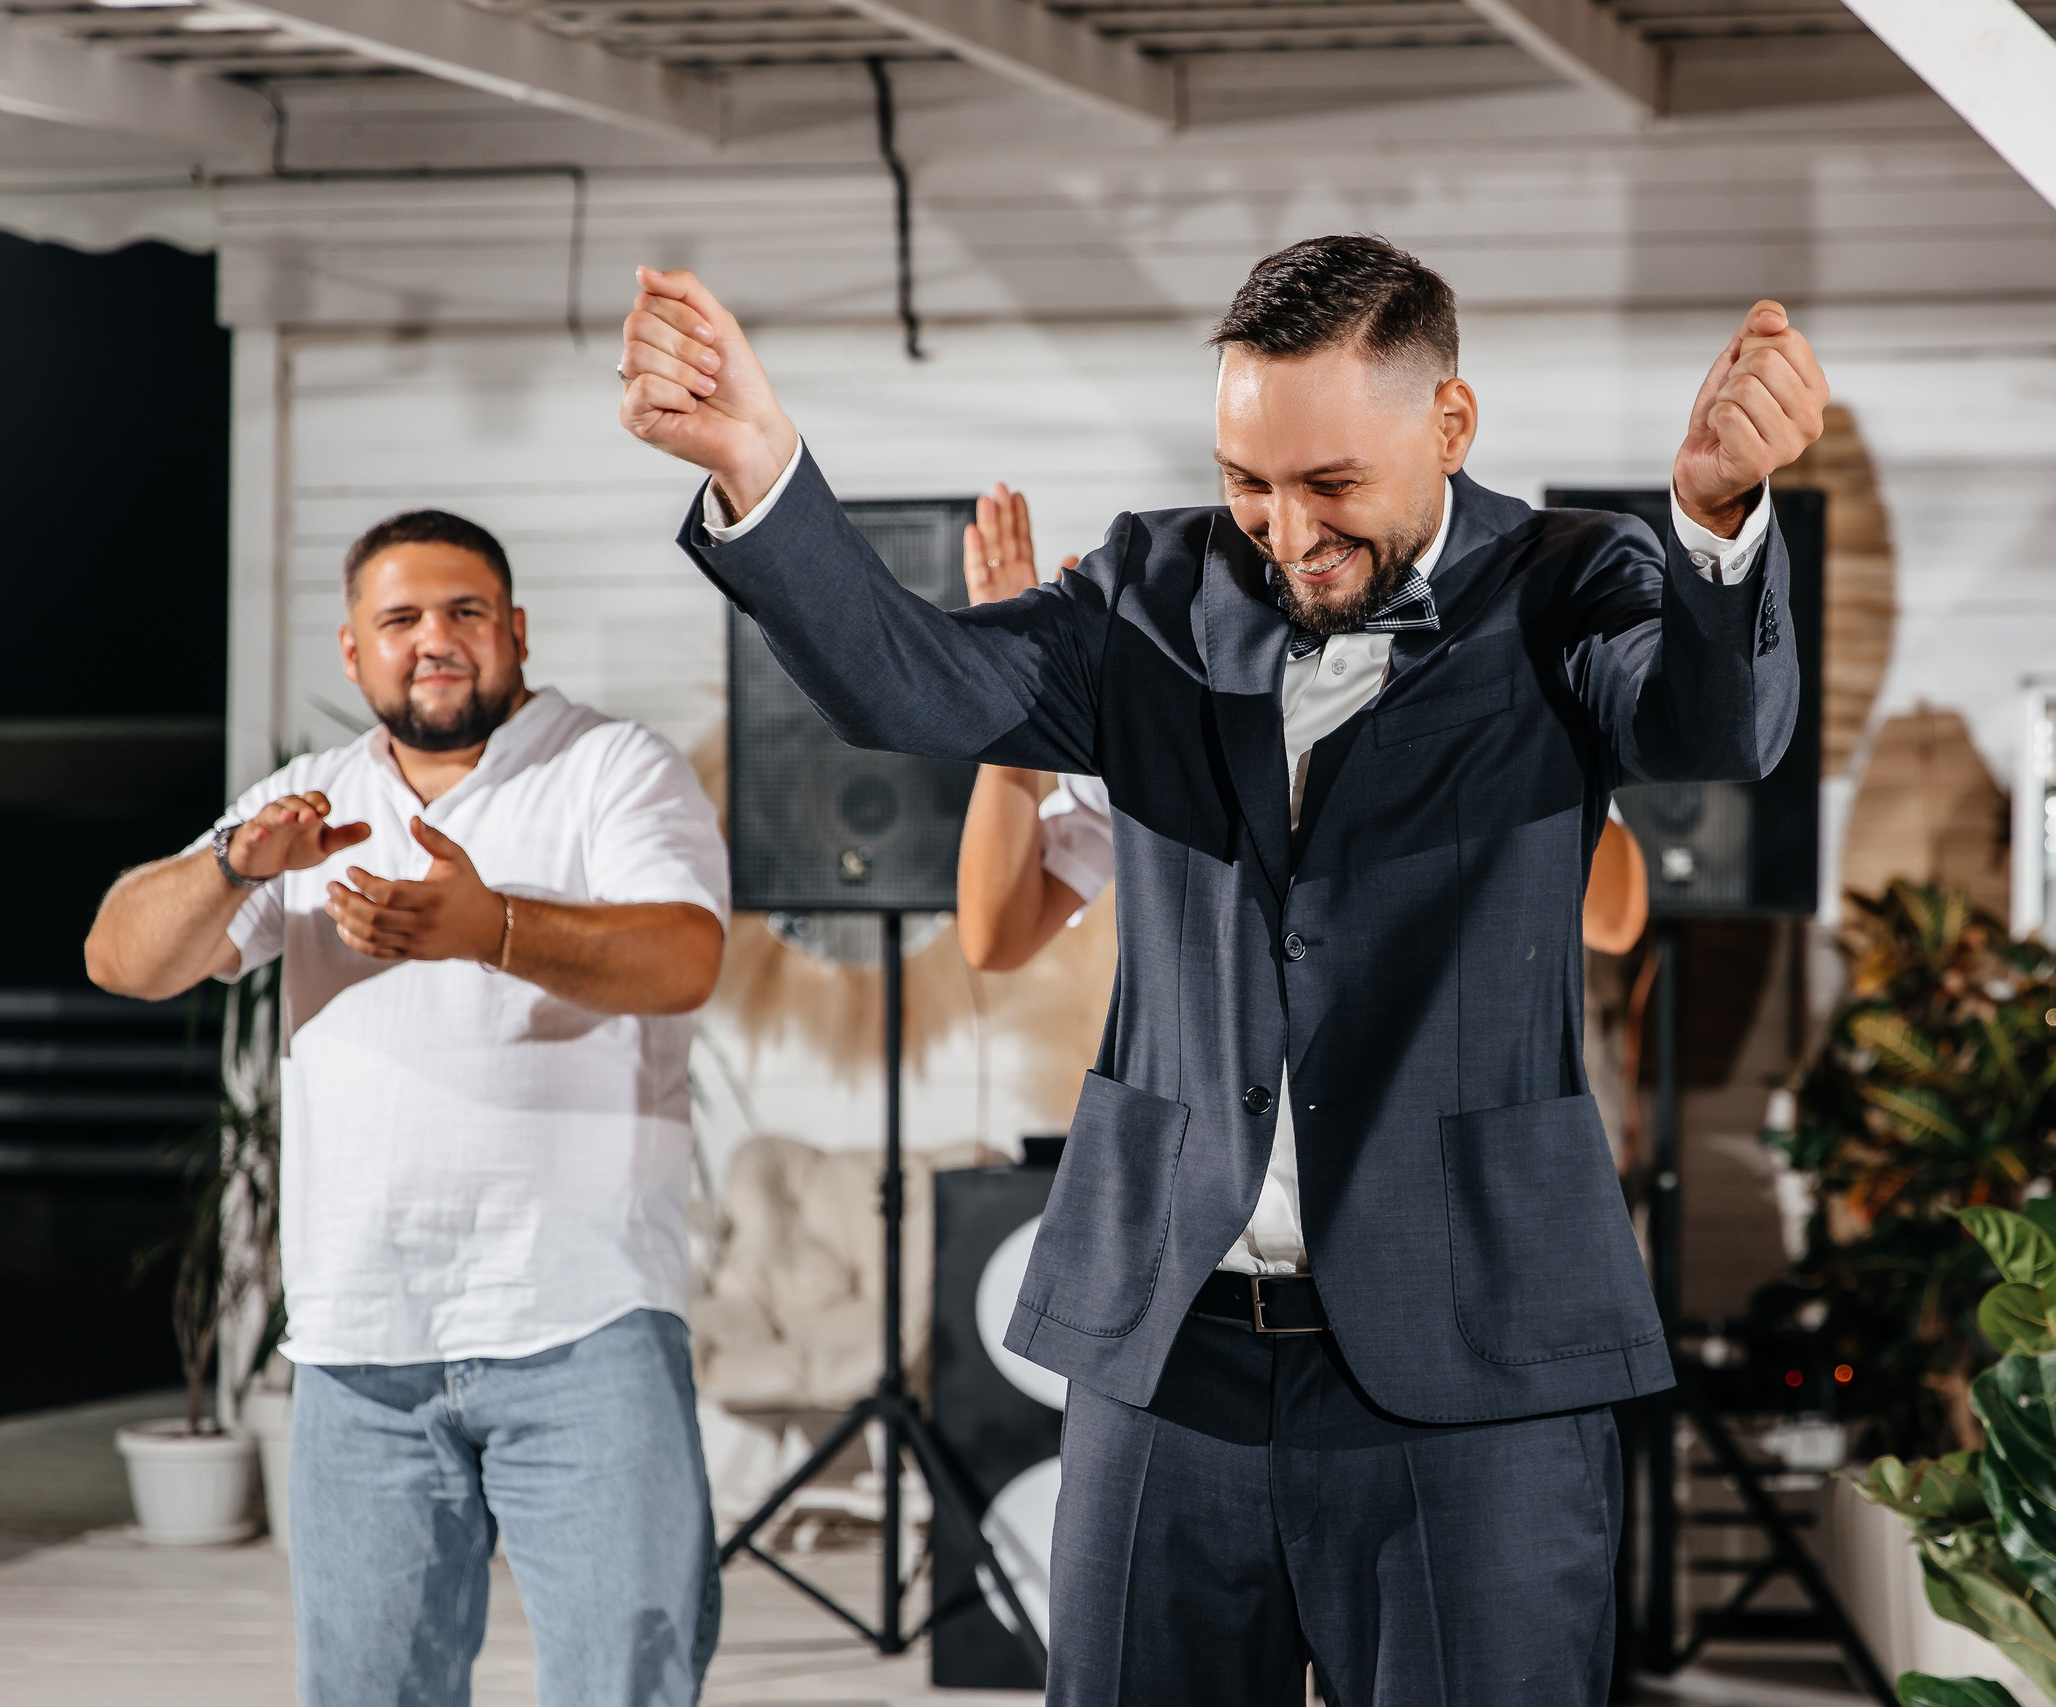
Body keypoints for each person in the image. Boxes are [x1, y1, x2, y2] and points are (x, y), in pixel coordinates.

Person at [621, 235, 1822, 1705]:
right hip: (1171, 1345)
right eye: (1249, 480)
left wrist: (1713, 519)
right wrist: (761, 462)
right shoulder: (1151, 584)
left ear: (1449, 423)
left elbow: (1715, 726)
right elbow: (913, 682)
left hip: (1478, 1356)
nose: (1284, 530)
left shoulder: (1569, 582)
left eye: (1331, 485)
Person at [83, 510, 729, 1707]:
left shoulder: (611, 768)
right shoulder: (308, 802)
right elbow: (123, 957)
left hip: (583, 1329)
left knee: (624, 1688)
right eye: (401, 619)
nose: (435, 640)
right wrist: (235, 863)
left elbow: (685, 956)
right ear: (351, 651)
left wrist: (492, 929)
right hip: (360, 1352)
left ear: (515, 631)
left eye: (464, 612)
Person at [952, 483, 1650, 970]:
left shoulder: (1484, 664)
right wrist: (1021, 705)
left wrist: (1473, 727)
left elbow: (1615, 919)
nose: (1294, 536)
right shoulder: (1169, 692)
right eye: (1255, 490)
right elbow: (997, 937)